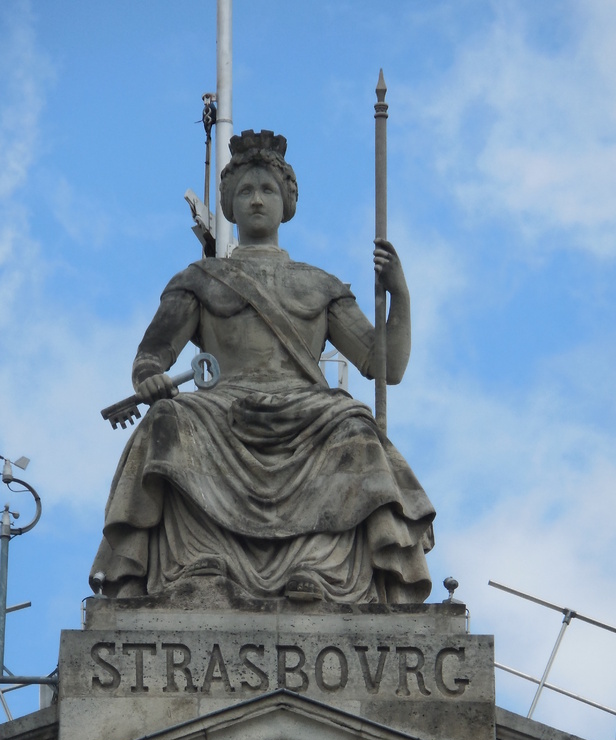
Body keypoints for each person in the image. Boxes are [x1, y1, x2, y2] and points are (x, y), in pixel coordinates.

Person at [90, 130, 435, 605]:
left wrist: (400, 293)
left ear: (287, 203)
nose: (256, 200)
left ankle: (318, 568)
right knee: (168, 419)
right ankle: (201, 562)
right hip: (222, 406)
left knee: (355, 426)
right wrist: (147, 377)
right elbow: (153, 353)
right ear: (229, 204)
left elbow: (385, 364)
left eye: (267, 189)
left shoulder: (320, 285)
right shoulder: (199, 279)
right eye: (245, 191)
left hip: (307, 410)